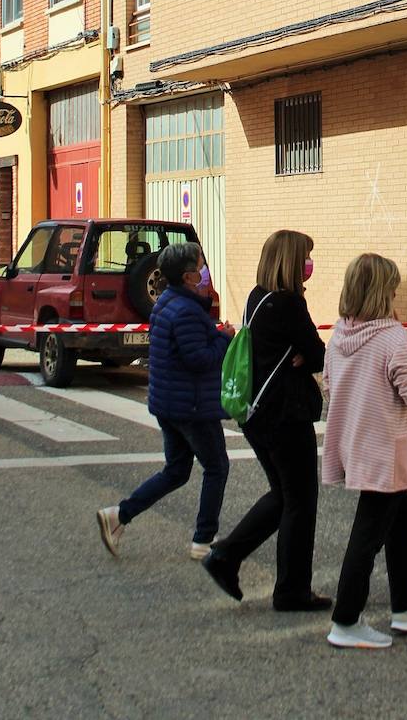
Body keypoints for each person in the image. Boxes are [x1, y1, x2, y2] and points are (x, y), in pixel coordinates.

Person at [203, 229, 328, 612]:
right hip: (284, 414)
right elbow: (318, 354)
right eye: (306, 257)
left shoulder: (259, 298)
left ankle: (226, 555)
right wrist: (306, 356)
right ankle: (291, 590)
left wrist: (304, 355)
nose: (310, 265)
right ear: (292, 262)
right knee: (300, 501)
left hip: (257, 414)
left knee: (283, 495)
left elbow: (300, 351)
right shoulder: (289, 304)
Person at [323, 252, 407, 650]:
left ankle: (405, 605)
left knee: (401, 523)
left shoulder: (339, 335)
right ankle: (346, 620)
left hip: (357, 441)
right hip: (390, 447)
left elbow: (329, 385)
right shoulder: (393, 337)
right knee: (368, 535)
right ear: (383, 293)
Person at [96, 242, 233, 560]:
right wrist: (224, 340)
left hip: (169, 401)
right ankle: (203, 541)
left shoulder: (168, 303)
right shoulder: (186, 310)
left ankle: (119, 516)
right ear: (188, 276)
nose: (204, 272)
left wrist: (213, 332)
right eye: (200, 266)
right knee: (216, 467)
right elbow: (198, 358)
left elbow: (184, 348)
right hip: (192, 405)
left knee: (176, 470)